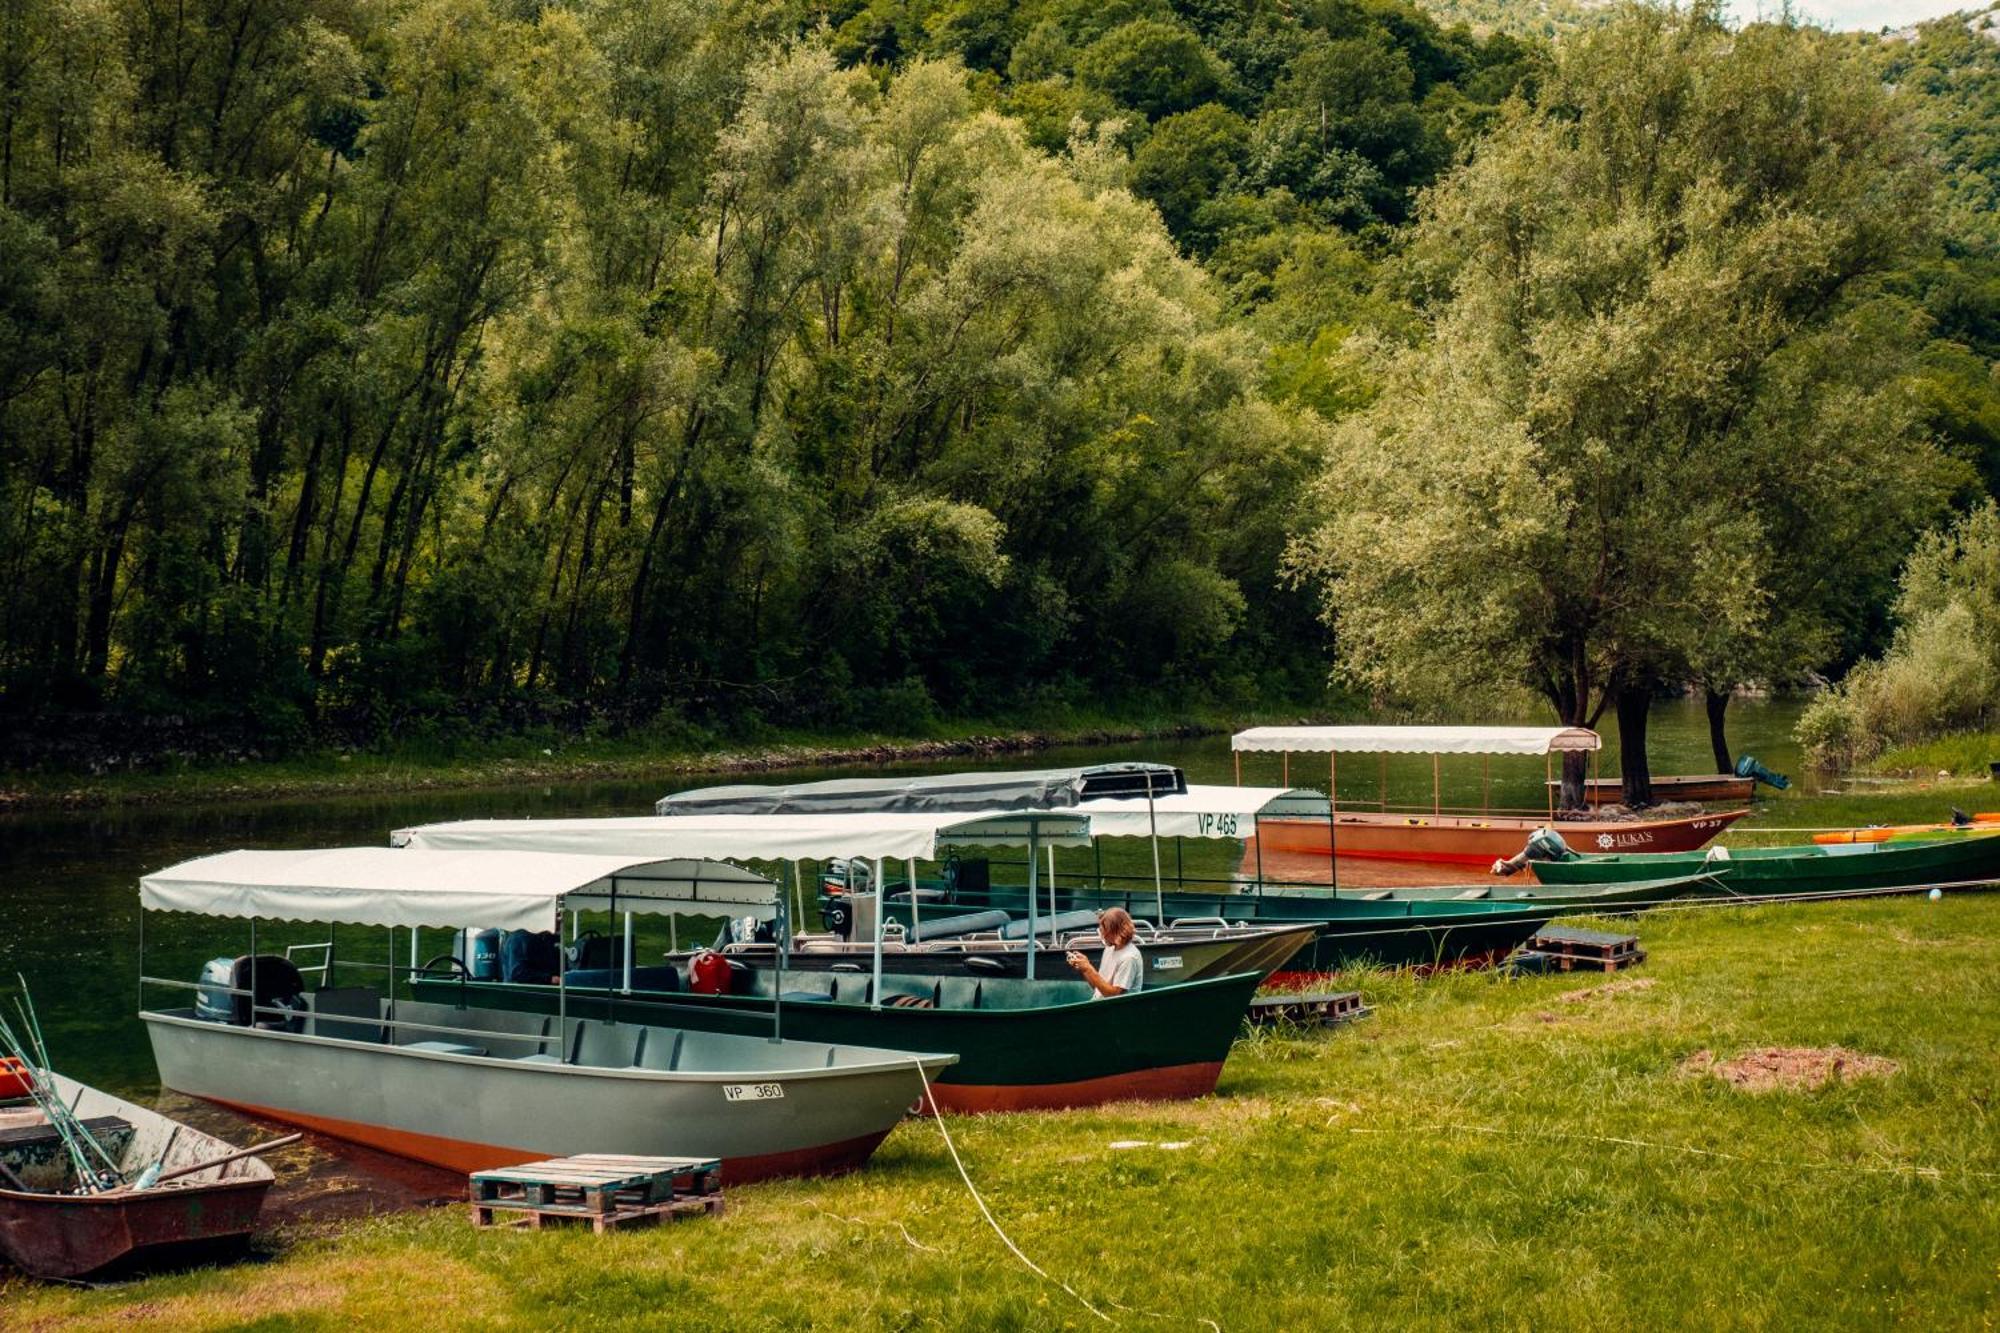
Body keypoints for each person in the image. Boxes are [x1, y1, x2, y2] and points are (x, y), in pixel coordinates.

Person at [1066, 908, 1143, 998]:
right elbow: (1098, 988)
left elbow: (1114, 996)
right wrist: (1084, 969)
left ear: (1117, 931)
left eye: (1105, 931)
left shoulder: (1129, 958)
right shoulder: (1109, 949)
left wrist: (1089, 969)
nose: (1103, 935)